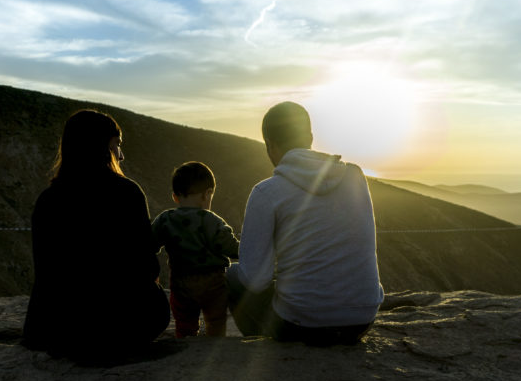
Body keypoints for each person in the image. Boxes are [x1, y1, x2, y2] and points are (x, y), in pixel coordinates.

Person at [226, 101, 383, 346]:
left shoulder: (266, 192)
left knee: (235, 275)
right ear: (310, 137)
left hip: (301, 326)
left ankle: (268, 350)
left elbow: (256, 280)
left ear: (270, 145)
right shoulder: (355, 176)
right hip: (361, 320)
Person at [22, 108, 170, 363]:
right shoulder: (127, 192)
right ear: (104, 146)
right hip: (124, 329)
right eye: (117, 145)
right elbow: (146, 266)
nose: (121, 155)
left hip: (62, 333)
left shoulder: (48, 200)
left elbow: (45, 274)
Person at [152, 162, 240, 338]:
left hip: (180, 282)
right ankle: (215, 342)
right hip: (213, 283)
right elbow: (230, 248)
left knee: (184, 323)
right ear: (207, 194)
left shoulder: (165, 219)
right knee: (215, 321)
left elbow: (148, 244)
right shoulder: (211, 220)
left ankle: (186, 341)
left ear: (175, 197)